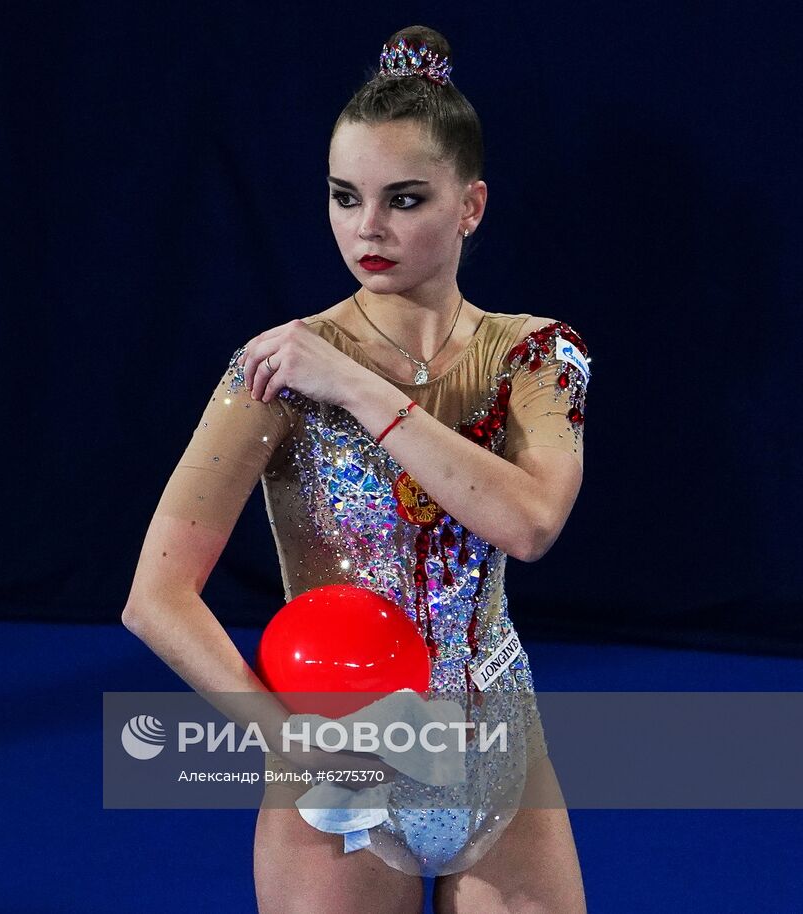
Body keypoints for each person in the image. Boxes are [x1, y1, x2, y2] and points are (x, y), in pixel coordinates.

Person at [120, 25, 590, 914]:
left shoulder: (536, 356)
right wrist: (289, 747)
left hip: (499, 757)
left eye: (403, 199)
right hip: (342, 772)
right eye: (344, 196)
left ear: (471, 206)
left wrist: (355, 386)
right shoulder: (274, 371)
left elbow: (529, 523)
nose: (365, 228)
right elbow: (155, 596)